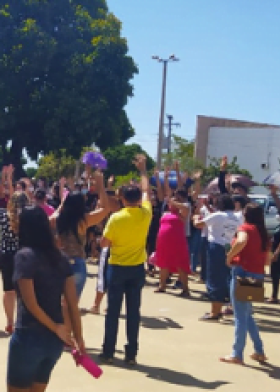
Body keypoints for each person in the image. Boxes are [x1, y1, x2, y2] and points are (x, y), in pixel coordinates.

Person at [7, 206, 82, 392]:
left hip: (30, 336)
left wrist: (56, 327)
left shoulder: (25, 256)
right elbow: (72, 304)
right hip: (53, 343)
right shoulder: (59, 258)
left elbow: (30, 303)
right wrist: (77, 340)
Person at [99, 154, 151, 365]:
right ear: (138, 199)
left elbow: (104, 243)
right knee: (133, 312)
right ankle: (131, 353)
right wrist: (143, 170)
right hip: (137, 267)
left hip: (117, 267)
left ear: (122, 198)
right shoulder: (145, 214)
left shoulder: (116, 218)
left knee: (113, 311)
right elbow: (147, 190)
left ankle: (108, 351)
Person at [221, 204, 269, 365]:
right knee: (247, 314)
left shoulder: (245, 228)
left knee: (240, 315)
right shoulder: (263, 233)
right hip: (257, 272)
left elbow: (241, 241)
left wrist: (230, 255)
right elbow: (268, 259)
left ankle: (237, 353)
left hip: (243, 271)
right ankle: (259, 350)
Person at [53, 170, 110, 298]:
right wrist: (101, 185)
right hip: (77, 263)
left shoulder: (57, 219)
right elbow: (105, 209)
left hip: (59, 263)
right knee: (71, 306)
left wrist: (62, 203)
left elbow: (50, 217)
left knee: (56, 304)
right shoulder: (83, 221)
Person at [0, 190, 29, 333]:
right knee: (24, 291)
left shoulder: (3, 215)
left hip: (6, 254)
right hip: (24, 255)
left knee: (8, 290)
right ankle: (21, 322)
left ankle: (10, 322)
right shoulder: (29, 216)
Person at [195, 194, 240, 321]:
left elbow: (199, 224)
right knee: (227, 277)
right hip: (230, 246)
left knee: (214, 278)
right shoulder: (236, 217)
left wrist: (195, 218)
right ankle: (227, 305)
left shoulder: (218, 215)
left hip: (216, 246)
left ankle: (215, 312)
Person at [152, 192, 191, 296]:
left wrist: (175, 202)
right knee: (163, 264)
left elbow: (186, 209)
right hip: (164, 242)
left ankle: (185, 289)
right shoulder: (165, 213)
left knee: (180, 264)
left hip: (177, 242)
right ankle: (162, 285)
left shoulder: (181, 213)